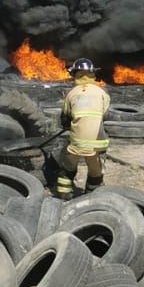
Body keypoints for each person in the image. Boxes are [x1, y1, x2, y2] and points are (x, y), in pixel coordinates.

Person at [56, 58, 110, 198]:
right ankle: (92, 192)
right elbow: (104, 114)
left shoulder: (71, 94)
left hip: (77, 142)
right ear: (93, 75)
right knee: (96, 170)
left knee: (68, 166)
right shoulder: (102, 93)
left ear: (75, 75)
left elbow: (65, 117)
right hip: (97, 144)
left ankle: (63, 193)